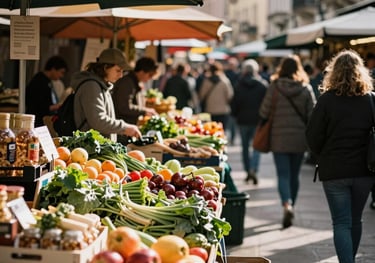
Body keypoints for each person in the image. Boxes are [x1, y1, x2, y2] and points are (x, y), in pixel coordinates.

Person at [306, 49, 375, 263]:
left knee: (341, 222)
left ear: (334, 72)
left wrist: (322, 153)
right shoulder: (371, 100)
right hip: (365, 170)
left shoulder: (327, 100)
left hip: (334, 170)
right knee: (355, 220)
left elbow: (312, 135)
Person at [259, 54, 316, 228]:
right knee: (294, 174)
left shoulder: (274, 87)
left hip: (278, 138)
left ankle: (287, 204)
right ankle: (292, 205)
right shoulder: (306, 88)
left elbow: (264, 111)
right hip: (299, 139)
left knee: (283, 175)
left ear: (281, 68)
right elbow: (312, 115)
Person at [71, 48, 141, 141]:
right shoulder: (91, 86)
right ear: (105, 68)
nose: (121, 75)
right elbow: (98, 120)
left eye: (122, 71)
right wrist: (125, 128)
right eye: (118, 70)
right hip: (89, 150)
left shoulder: (102, 85)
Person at [231, 59, 267, 185]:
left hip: (242, 120)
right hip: (257, 120)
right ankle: (254, 169)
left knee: (245, 147)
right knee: (256, 146)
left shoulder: (238, 85)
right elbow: (266, 105)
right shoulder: (262, 85)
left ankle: (247, 170)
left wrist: (235, 115)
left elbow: (234, 104)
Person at [26, 56, 68, 127]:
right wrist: (56, 107)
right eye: (61, 72)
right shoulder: (40, 82)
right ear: (53, 69)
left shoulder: (46, 81)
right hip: (37, 121)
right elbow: (39, 106)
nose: (61, 76)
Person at [199, 61, 234, 131]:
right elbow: (230, 95)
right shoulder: (225, 81)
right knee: (222, 131)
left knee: (210, 131)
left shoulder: (206, 81)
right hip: (223, 111)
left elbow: (201, 95)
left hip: (209, 110)